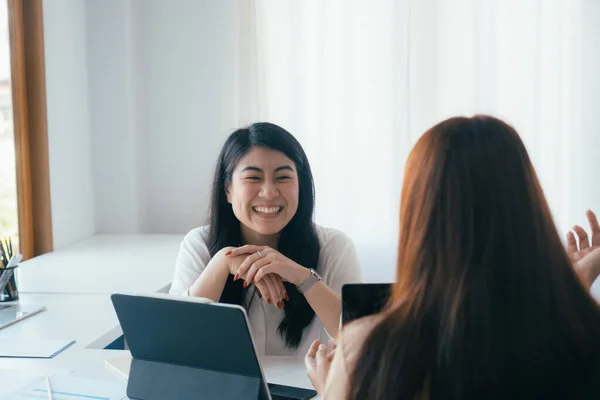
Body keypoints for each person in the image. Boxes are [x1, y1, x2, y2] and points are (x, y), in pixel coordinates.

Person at [305, 115, 600, 399]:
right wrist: (571, 293)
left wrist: (333, 389)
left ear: (418, 218)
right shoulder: (582, 336)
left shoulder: (368, 353)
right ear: (530, 208)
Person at [169, 122, 363, 356]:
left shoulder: (335, 247)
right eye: (253, 178)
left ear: (300, 185)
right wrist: (222, 263)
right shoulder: (199, 244)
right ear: (228, 190)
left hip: (309, 390)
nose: (269, 192)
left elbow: (359, 340)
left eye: (282, 177)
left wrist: (302, 277)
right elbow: (177, 344)